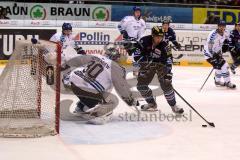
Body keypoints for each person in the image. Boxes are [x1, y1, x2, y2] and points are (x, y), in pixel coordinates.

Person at [65, 48, 139, 124]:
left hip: (71, 82)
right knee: (111, 101)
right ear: (117, 58)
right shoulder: (116, 67)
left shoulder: (96, 56)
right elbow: (122, 87)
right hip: (88, 90)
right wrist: (130, 100)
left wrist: (61, 58)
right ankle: (97, 115)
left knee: (95, 86)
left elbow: (75, 59)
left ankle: (81, 107)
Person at [134, 26, 184, 114]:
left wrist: (168, 73)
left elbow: (168, 60)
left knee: (166, 84)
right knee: (141, 86)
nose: (159, 39)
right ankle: (151, 104)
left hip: (161, 65)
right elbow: (136, 56)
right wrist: (146, 61)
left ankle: (174, 106)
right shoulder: (143, 41)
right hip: (147, 65)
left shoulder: (165, 45)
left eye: (161, 37)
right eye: (157, 36)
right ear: (152, 35)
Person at [203, 20, 236, 89]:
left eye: (223, 26)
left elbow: (228, 40)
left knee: (219, 66)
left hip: (218, 53)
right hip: (209, 54)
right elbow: (209, 47)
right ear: (218, 26)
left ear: (225, 27)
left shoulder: (226, 32)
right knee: (224, 65)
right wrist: (213, 57)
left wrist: (226, 44)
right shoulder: (213, 35)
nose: (222, 27)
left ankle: (217, 81)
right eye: (220, 26)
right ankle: (228, 82)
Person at [118, 6, 146, 76]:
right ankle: (130, 70)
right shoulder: (127, 19)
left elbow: (141, 33)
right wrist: (123, 32)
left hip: (136, 42)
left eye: (139, 12)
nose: (138, 13)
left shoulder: (142, 22)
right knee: (132, 55)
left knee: (137, 55)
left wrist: (140, 40)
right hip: (127, 41)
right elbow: (119, 26)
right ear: (133, 12)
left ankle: (135, 70)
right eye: (136, 12)